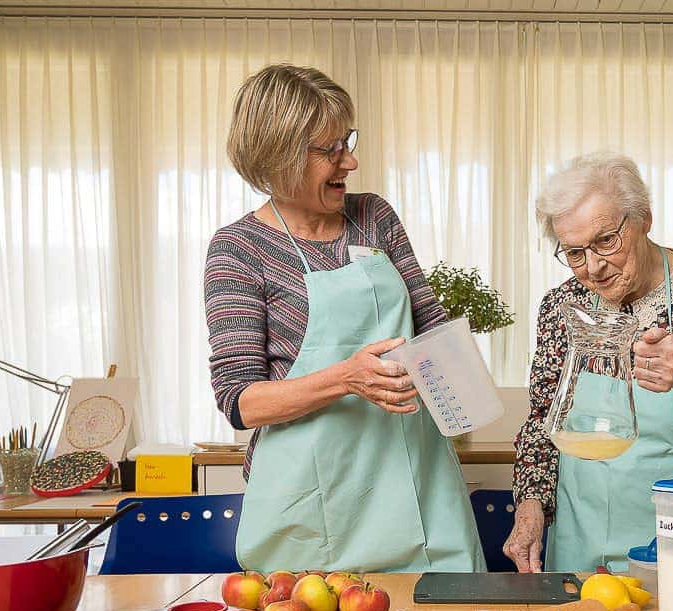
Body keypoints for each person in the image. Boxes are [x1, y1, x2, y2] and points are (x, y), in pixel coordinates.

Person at [205, 64, 484, 573]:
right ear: (278, 154)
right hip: (314, 508)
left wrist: (470, 398)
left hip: (420, 485)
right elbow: (240, 401)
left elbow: (432, 325)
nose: (349, 161)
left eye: (347, 141)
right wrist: (347, 378)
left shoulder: (373, 216)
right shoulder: (239, 248)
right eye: (329, 149)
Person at [503, 153, 673, 573]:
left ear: (644, 219)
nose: (593, 268)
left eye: (605, 242)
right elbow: (543, 421)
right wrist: (530, 506)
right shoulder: (563, 307)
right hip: (581, 546)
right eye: (574, 253)